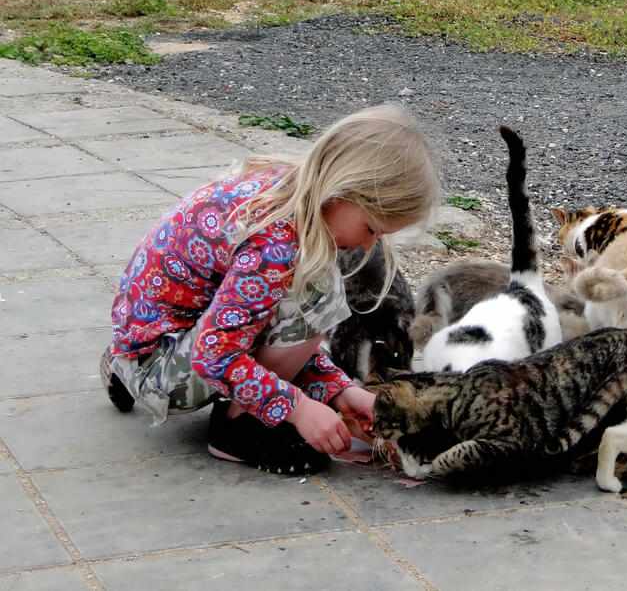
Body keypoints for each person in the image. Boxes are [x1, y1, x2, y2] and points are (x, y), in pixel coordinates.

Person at [100, 103, 439, 474]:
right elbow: (216, 354)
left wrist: (340, 391)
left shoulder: (287, 193)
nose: (368, 246)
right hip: (167, 365)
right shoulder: (275, 245)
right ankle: (238, 428)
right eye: (372, 228)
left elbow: (250, 319)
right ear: (343, 193)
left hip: (148, 338)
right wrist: (297, 407)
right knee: (318, 293)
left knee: (301, 288)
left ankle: (127, 363)